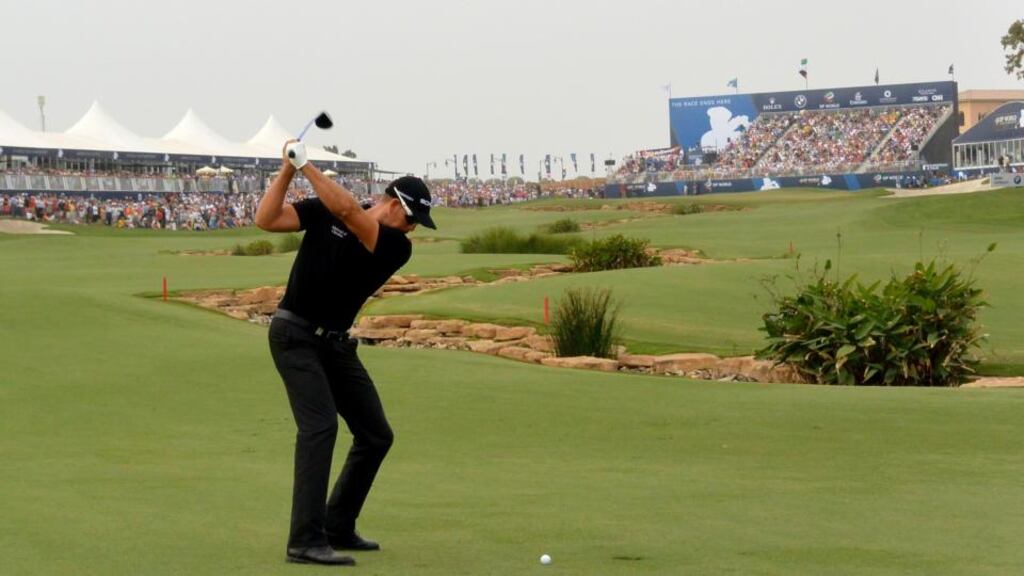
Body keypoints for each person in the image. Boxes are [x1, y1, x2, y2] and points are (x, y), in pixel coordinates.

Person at [255, 139, 436, 566]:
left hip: (334, 344)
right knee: (319, 428)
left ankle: (337, 525)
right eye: (410, 217)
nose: (412, 227)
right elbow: (266, 219)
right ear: (392, 202)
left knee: (375, 435)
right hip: (294, 335)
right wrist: (287, 170)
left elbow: (350, 213)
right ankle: (304, 540)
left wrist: (306, 165)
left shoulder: (396, 246)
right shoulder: (325, 210)